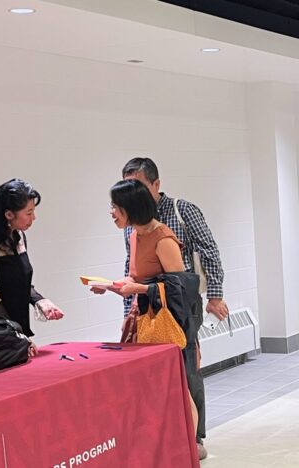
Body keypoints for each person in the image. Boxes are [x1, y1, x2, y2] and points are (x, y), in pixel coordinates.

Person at [118, 157, 227, 460]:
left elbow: (208, 251)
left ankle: (195, 436)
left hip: (180, 305)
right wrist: (128, 306)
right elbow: (131, 266)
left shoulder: (180, 212)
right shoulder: (131, 226)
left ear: (156, 184)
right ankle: (164, 434)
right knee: (153, 373)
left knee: (187, 368)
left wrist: (215, 295)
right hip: (146, 308)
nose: (132, 192)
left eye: (138, 185)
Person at [105, 179, 200, 439]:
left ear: (131, 208)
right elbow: (138, 276)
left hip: (167, 323)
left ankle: (188, 447)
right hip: (144, 320)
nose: (111, 213)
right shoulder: (135, 234)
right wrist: (112, 285)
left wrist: (137, 288)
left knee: (178, 387)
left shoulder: (163, 237)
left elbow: (180, 288)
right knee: (151, 388)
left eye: (115, 207)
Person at [0, 179, 64, 357]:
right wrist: (16, 334)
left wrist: (40, 301)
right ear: (9, 214)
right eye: (29, 212)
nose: (33, 218)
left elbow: (20, 282)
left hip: (14, 330)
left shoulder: (18, 237)